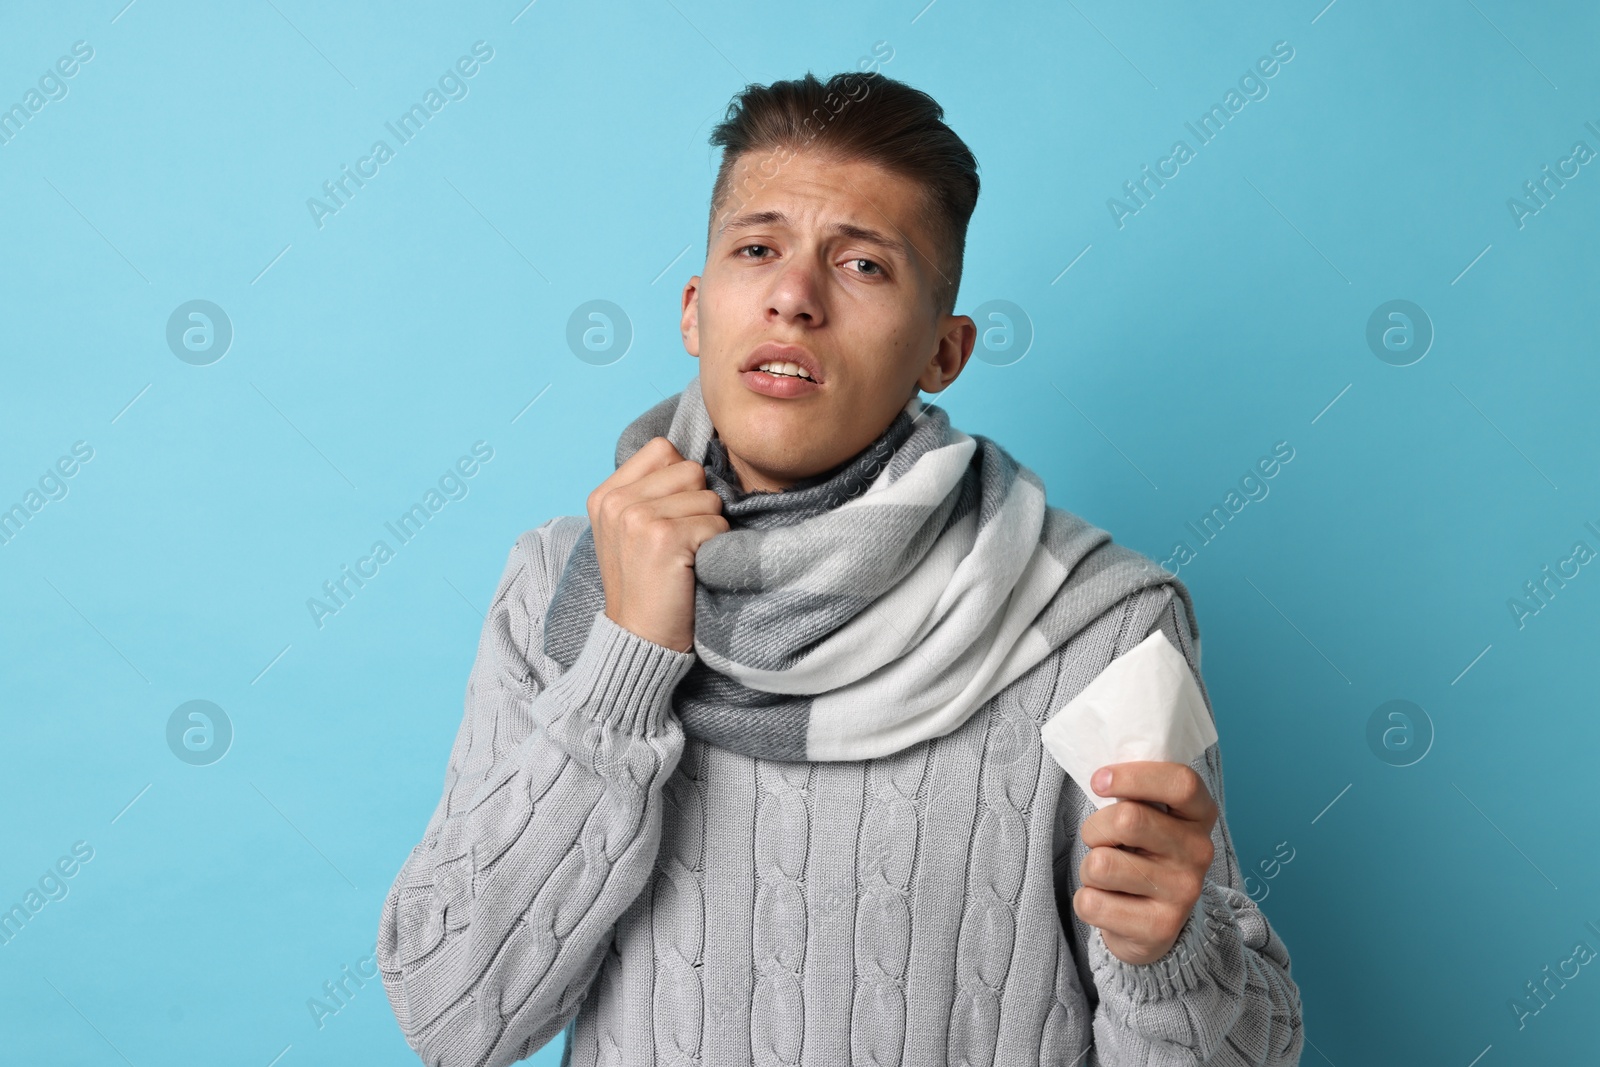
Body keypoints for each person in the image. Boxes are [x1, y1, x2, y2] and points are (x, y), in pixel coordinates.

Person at [376, 70, 1304, 1067]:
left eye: (862, 265)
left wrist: (1167, 955)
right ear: (696, 310)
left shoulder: (1100, 624)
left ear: (942, 352)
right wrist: (627, 658)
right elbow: (449, 1015)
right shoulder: (561, 584)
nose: (793, 296)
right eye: (757, 248)